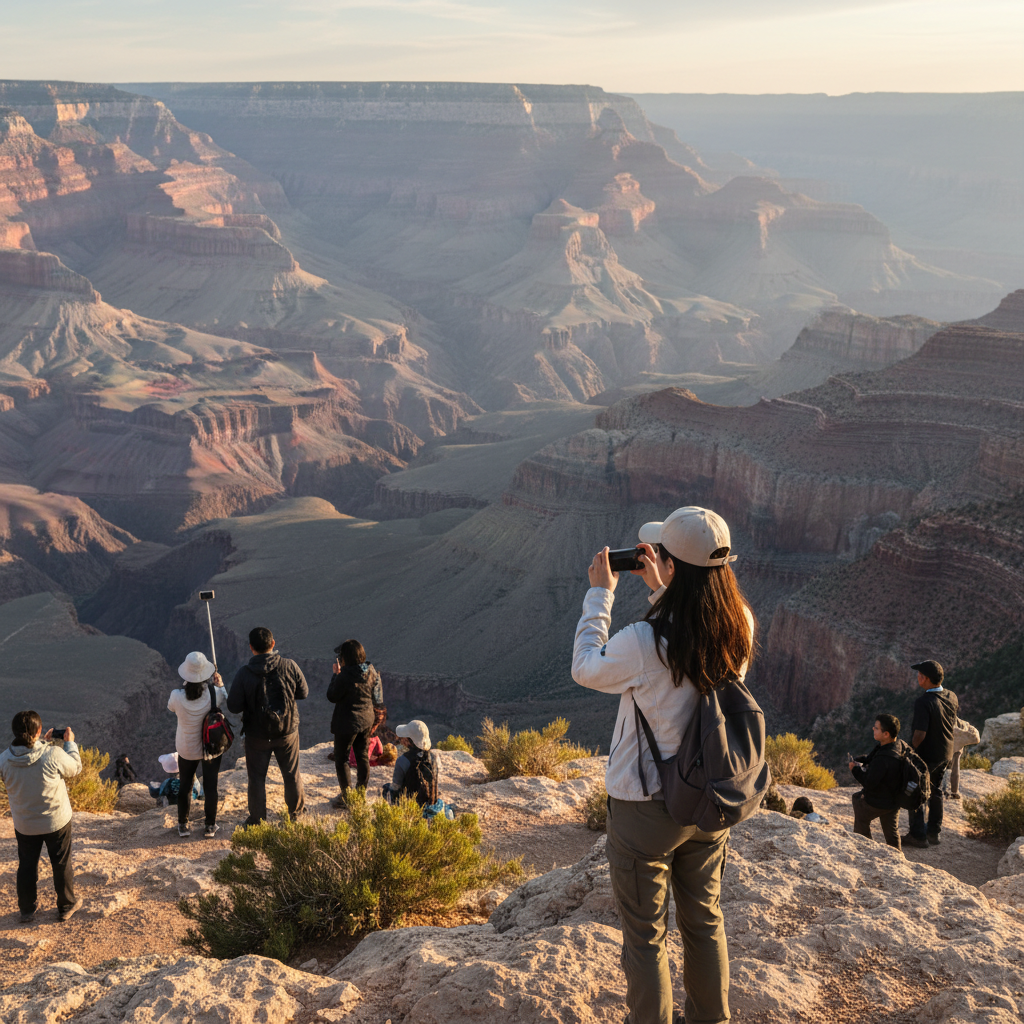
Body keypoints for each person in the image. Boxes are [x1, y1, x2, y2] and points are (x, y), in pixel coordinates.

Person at [572, 505, 756, 1024]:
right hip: (707, 798)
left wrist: (600, 593)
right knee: (704, 920)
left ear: (673, 567)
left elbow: (585, 667)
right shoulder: (740, 623)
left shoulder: (643, 640)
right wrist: (664, 589)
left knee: (646, 937)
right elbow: (695, 649)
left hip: (646, 807)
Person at [0, 711, 84, 923]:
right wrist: (70, 745)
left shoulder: (3, 760)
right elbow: (75, 768)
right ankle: (66, 905)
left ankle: (27, 909)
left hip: (25, 823)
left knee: (27, 864)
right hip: (56, 820)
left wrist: (40, 745)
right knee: (61, 863)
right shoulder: (52, 754)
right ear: (38, 731)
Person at [227, 626, 309, 826]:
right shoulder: (289, 665)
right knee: (291, 774)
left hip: (257, 737)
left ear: (251, 648)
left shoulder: (244, 674)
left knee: (256, 779)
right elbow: (303, 692)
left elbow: (233, 706)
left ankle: (257, 821)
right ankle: (296, 816)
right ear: (273, 644)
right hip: (287, 732)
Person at [168, 651, 227, 838]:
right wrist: (220, 685)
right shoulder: (214, 693)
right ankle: (210, 826)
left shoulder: (176, 696)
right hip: (211, 747)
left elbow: (171, 707)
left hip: (186, 748)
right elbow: (225, 698)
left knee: (185, 784)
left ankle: (183, 825)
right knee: (211, 786)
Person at [904, 659, 958, 848]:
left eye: (919, 675)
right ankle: (934, 833)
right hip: (946, 753)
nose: (917, 677)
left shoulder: (924, 702)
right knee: (936, 791)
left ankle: (918, 835)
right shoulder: (951, 696)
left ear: (925, 679)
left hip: (927, 755)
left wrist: (909, 751)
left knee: (917, 792)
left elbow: (920, 733)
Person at [326, 639, 382, 808]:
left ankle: (347, 798)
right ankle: (360, 794)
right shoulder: (371, 670)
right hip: (366, 719)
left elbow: (332, 696)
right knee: (362, 755)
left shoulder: (343, 676)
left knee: (342, 759)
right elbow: (377, 698)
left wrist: (335, 675)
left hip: (346, 724)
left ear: (345, 658)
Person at [849, 714, 907, 852]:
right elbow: (872, 758)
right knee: (891, 830)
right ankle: (897, 857)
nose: (873, 729)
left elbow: (869, 783)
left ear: (886, 734)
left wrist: (854, 770)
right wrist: (862, 760)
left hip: (880, 800)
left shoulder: (883, 759)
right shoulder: (897, 745)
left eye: (876, 728)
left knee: (859, 807)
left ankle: (865, 849)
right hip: (894, 800)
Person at [382, 720, 441, 808]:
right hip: (431, 803)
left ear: (407, 741)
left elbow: (395, 787)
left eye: (403, 738)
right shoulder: (435, 757)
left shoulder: (403, 760)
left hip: (411, 806)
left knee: (386, 789)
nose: (401, 740)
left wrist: (388, 788)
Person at [947, 716, 981, 800]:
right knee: (955, 769)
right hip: (958, 748)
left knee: (943, 770)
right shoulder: (960, 723)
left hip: (946, 749)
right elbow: (975, 735)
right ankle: (954, 792)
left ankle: (941, 791)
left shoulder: (945, 721)